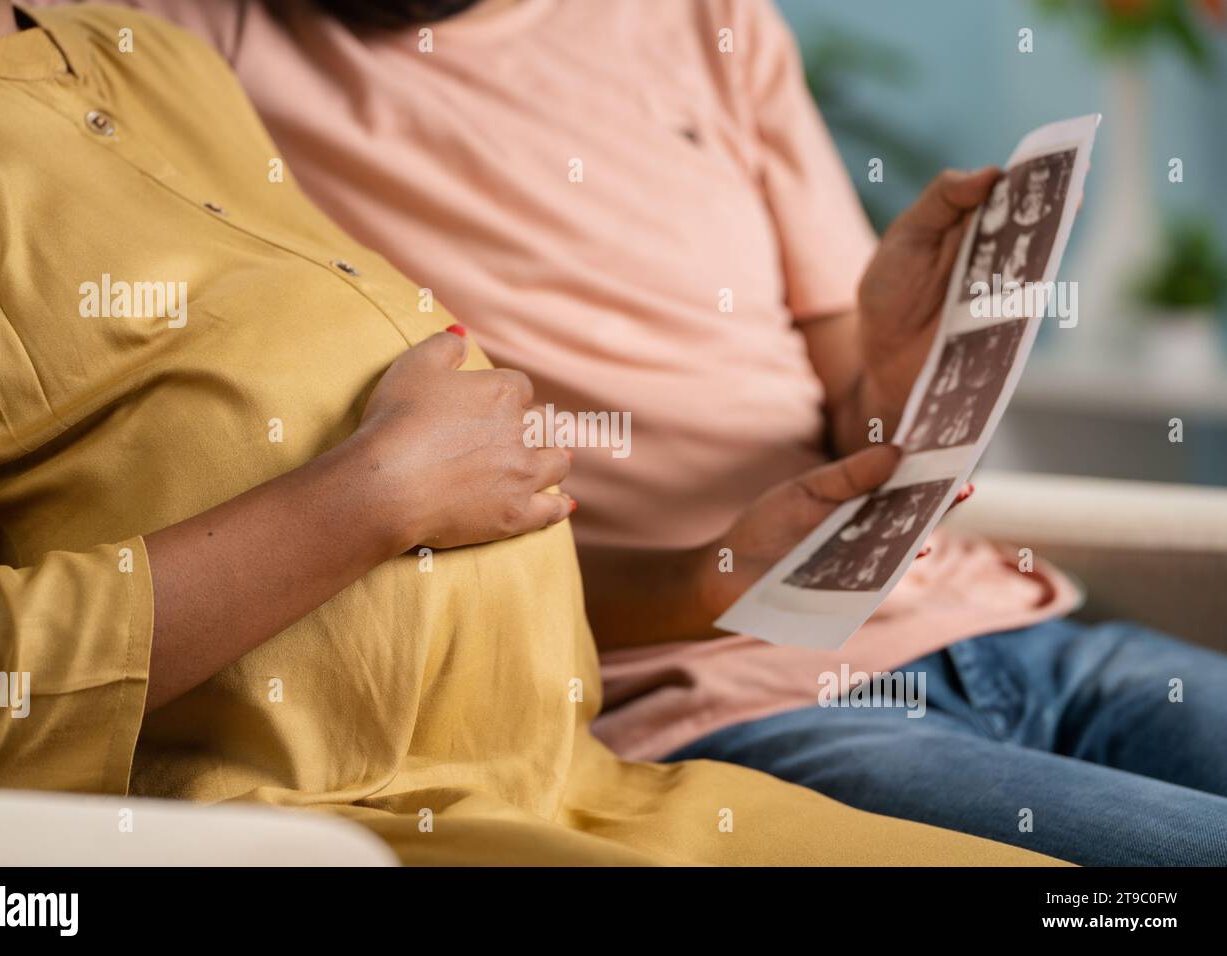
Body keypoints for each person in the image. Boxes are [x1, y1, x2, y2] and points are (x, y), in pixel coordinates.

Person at [75, 0, 1227, 865]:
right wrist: (709, 576)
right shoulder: (184, 55)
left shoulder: (703, 14)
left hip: (995, 621)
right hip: (710, 703)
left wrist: (888, 369)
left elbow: (860, 429)